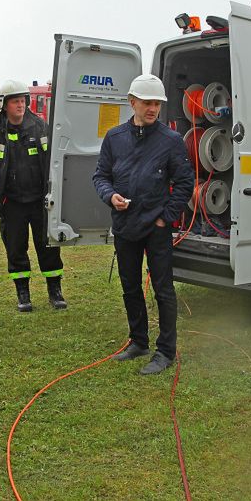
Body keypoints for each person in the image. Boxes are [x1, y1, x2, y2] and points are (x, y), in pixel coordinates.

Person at [92, 74, 194, 376]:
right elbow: (100, 176)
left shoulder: (171, 141)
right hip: (125, 225)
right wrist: (111, 197)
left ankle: (165, 351)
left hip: (156, 227)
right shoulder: (114, 138)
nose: (153, 108)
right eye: (147, 102)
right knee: (130, 286)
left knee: (163, 289)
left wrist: (166, 217)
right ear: (132, 102)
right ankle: (138, 341)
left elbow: (185, 182)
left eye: (157, 103)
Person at [0, 79, 66, 312]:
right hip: (11, 204)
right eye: (15, 101)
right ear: (4, 104)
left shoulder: (40, 127)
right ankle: (23, 293)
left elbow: (53, 162)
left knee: (48, 247)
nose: (20, 105)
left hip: (40, 202)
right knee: (16, 249)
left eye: (22, 101)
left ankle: (55, 291)